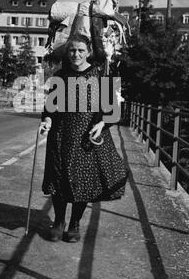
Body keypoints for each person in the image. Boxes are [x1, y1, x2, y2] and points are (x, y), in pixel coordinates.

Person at [40, 34, 127, 243]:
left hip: (86, 138)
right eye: (72, 50)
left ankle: (75, 223)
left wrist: (102, 124)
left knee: (83, 182)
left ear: (88, 52)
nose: (75, 54)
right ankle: (59, 222)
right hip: (61, 136)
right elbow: (49, 107)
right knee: (58, 179)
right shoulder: (60, 76)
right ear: (67, 52)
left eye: (80, 50)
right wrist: (48, 121)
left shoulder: (103, 75)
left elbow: (114, 111)